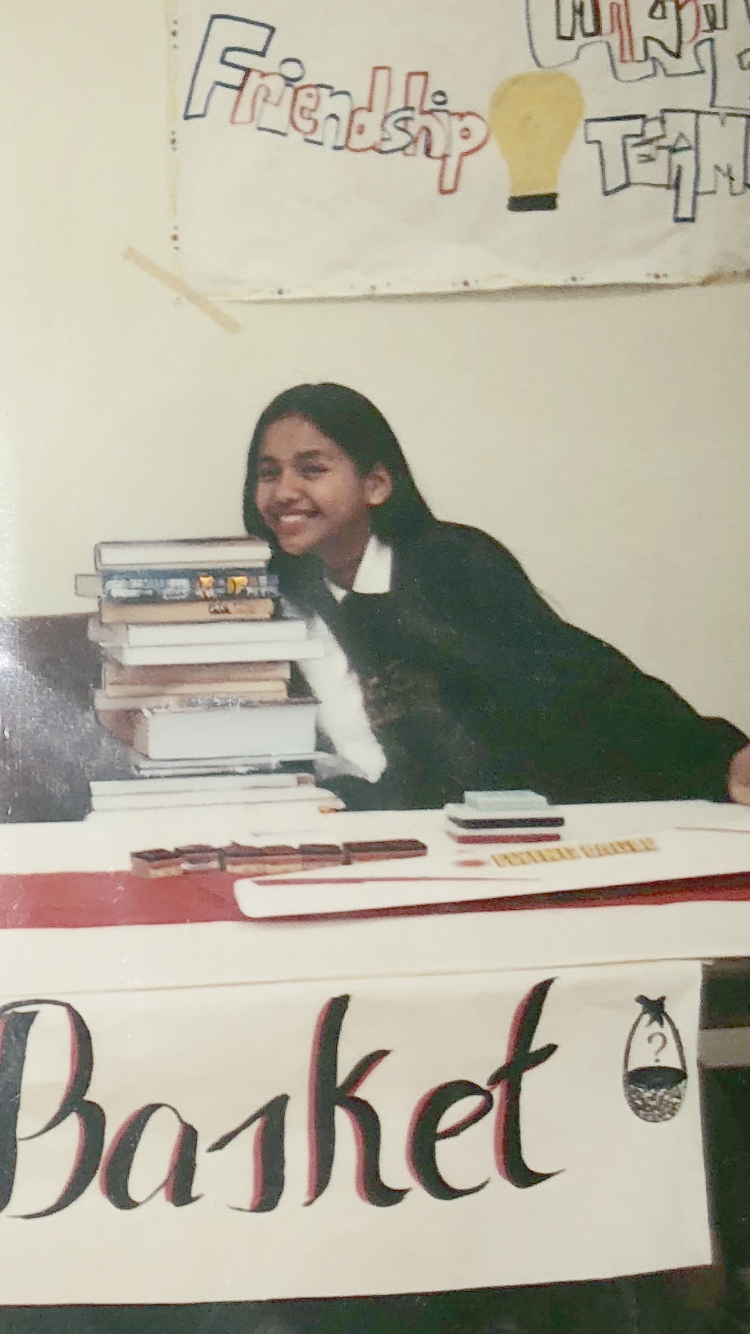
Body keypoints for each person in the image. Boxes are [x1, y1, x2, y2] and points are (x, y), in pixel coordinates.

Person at [243, 382, 750, 813]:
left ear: (375, 484)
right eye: (268, 473)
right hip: (343, 831)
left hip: (491, 826)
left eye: (312, 469)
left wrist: (718, 761)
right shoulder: (264, 596)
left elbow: (582, 681)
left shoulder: (453, 564)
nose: (283, 492)